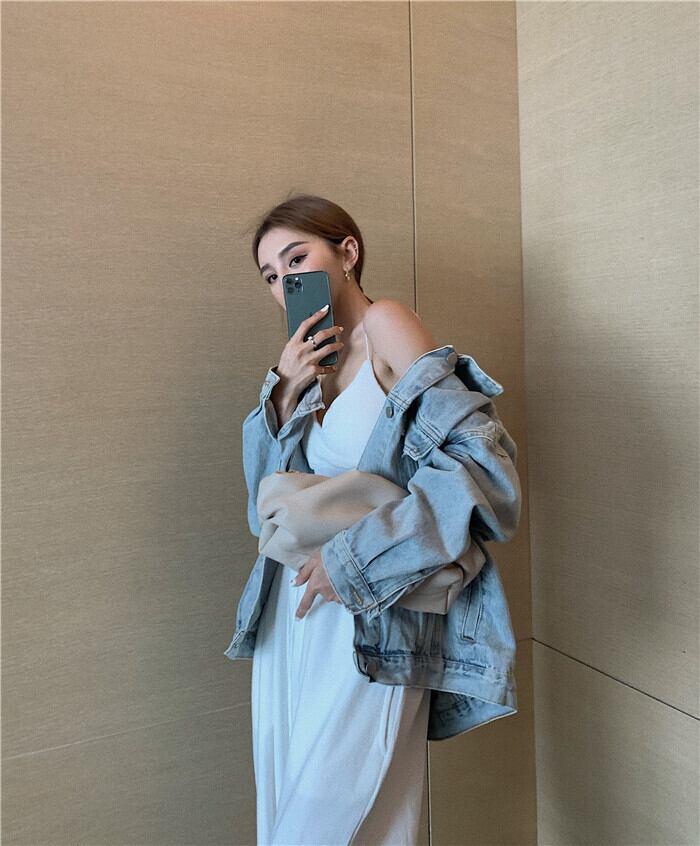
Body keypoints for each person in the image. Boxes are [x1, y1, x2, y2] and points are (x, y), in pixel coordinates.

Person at [225, 194, 523, 846]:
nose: (285, 283)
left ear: (348, 252)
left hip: (372, 616)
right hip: (290, 619)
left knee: (330, 825)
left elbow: (482, 474)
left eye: (296, 258)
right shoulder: (307, 365)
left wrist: (349, 561)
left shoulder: (388, 324)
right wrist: (284, 389)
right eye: (271, 275)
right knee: (289, 820)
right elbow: (262, 510)